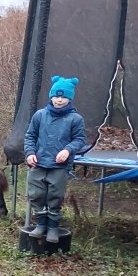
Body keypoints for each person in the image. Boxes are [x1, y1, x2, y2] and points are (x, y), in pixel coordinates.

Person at [24, 75, 87, 244]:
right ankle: (40, 225)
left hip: (59, 166)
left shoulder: (75, 119)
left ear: (69, 99)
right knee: (36, 194)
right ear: (51, 96)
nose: (60, 100)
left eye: (64, 97)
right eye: (57, 96)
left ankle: (53, 227)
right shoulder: (39, 115)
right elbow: (30, 136)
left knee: (55, 195)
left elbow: (80, 139)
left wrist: (68, 150)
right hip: (38, 163)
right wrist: (30, 153)